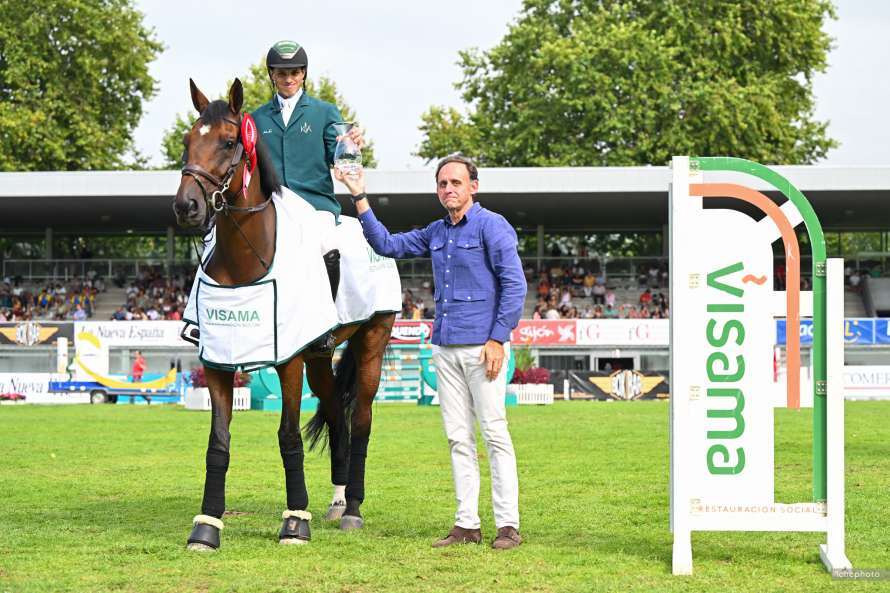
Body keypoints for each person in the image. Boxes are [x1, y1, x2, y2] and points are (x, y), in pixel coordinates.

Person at [337, 154, 526, 550]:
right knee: (458, 438)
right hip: (445, 346)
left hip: (483, 348)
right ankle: (467, 525)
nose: (448, 190)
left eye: (456, 183)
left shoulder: (493, 226)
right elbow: (385, 243)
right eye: (442, 184)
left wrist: (497, 339)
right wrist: (359, 196)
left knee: (494, 434)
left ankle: (508, 525)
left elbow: (514, 286)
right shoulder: (436, 232)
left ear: (473, 186)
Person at [251, 39, 364, 353]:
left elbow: (343, 158)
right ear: (272, 75)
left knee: (327, 244)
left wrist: (353, 146)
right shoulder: (257, 118)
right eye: (282, 72)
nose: (289, 78)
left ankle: (326, 325)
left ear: (303, 74)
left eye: (295, 72)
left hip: (315, 205)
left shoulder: (325, 112)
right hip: (272, 207)